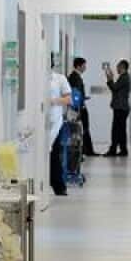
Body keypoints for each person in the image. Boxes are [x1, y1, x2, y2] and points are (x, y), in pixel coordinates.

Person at [47, 68, 73, 196]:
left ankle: (58, 185)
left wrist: (53, 101)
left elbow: (68, 99)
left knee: (54, 153)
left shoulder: (59, 78)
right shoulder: (35, 75)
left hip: (54, 122)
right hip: (38, 121)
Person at [68, 58, 97, 157]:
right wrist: (79, 105)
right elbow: (75, 93)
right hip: (79, 108)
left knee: (84, 128)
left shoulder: (76, 76)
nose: (85, 68)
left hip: (80, 105)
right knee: (84, 128)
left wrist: (83, 97)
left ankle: (87, 150)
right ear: (78, 66)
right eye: (84, 66)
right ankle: (87, 150)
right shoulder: (74, 77)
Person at [103, 59, 131, 157]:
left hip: (121, 108)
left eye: (118, 67)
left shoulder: (124, 77)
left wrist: (110, 79)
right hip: (121, 107)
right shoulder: (124, 77)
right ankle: (123, 150)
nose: (117, 69)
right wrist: (111, 79)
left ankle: (114, 150)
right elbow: (116, 89)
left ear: (122, 67)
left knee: (116, 130)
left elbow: (114, 88)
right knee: (120, 130)